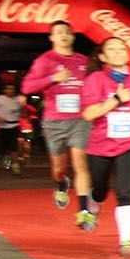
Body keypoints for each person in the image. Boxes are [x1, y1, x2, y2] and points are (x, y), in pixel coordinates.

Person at [79, 37, 130, 259]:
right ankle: (93, 206)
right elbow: (88, 114)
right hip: (100, 146)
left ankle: (125, 241)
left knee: (124, 192)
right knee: (100, 190)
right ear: (103, 57)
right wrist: (116, 99)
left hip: (128, 145)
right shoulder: (95, 80)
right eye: (112, 49)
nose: (118, 52)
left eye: (121, 48)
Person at [21, 20, 92, 220]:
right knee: (59, 168)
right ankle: (61, 183)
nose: (64, 35)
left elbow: (94, 86)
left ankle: (84, 210)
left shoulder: (84, 61)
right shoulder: (45, 60)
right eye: (59, 32)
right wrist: (53, 78)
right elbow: (26, 88)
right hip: (54, 121)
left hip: (80, 120)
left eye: (68, 32)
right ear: (51, 37)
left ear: (73, 36)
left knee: (80, 164)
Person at [0, 80, 23, 172]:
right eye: (8, 89)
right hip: (3, 126)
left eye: (12, 89)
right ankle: (7, 158)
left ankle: (15, 164)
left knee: (15, 145)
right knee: (5, 146)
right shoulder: (0, 99)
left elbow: (23, 112)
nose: (10, 90)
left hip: (15, 125)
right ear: (4, 90)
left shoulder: (17, 99)